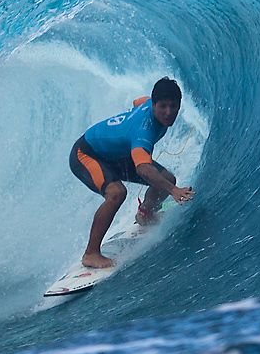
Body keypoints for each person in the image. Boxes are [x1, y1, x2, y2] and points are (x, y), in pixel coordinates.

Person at [68, 77, 195, 269]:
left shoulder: (147, 103)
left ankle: (145, 214)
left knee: (166, 178)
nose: (168, 112)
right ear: (154, 104)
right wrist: (173, 190)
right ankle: (91, 253)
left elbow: (137, 102)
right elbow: (142, 169)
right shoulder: (143, 130)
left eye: (173, 106)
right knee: (116, 193)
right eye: (162, 106)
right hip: (85, 154)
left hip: (114, 155)